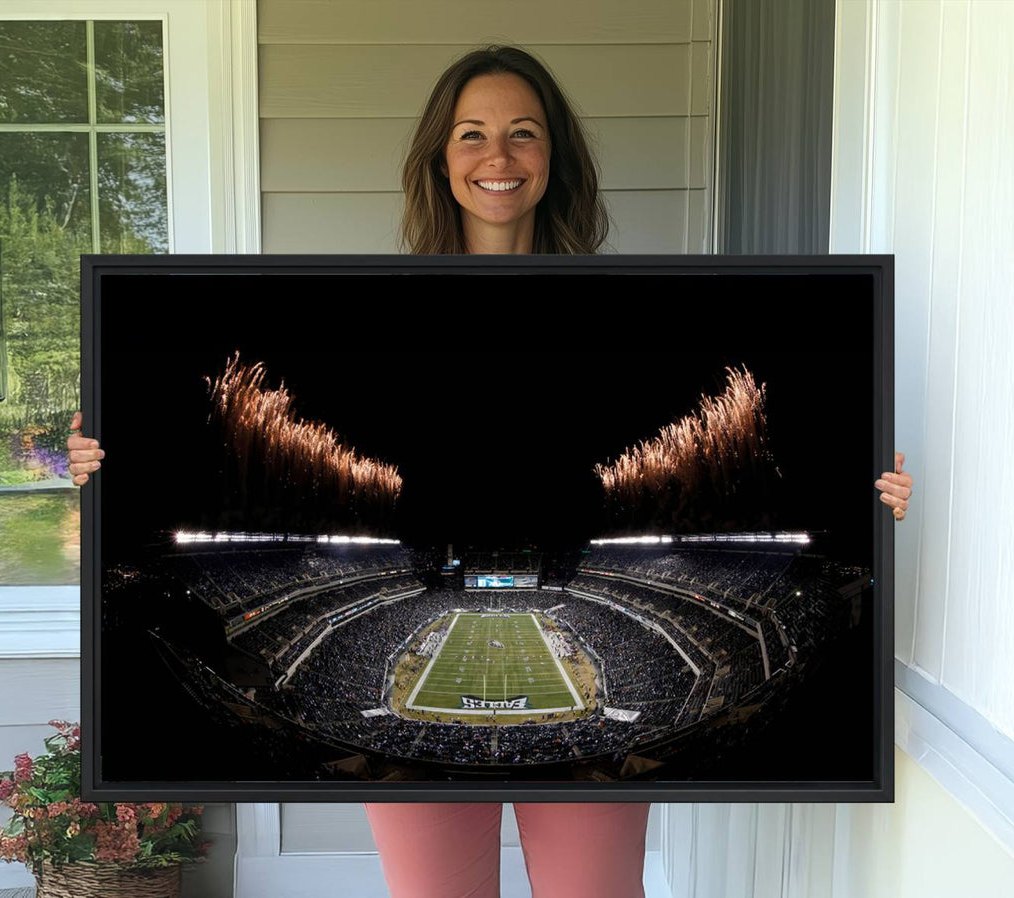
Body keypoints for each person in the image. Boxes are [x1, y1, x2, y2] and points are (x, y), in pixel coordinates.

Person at [67, 44, 914, 898]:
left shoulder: (628, 316)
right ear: (441, 157)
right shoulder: (373, 320)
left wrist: (868, 498)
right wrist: (105, 470)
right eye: (472, 134)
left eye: (523, 133)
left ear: (555, 158)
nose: (497, 157)